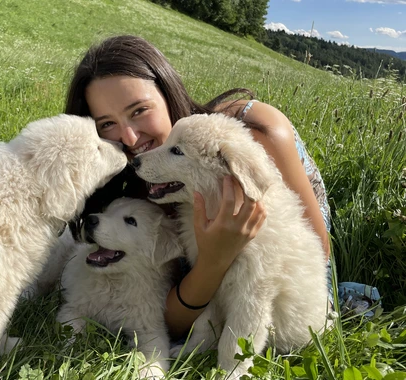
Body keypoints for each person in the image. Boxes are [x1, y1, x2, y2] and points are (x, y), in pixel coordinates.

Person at [65, 35, 332, 340]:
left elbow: (319, 254)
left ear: (168, 93)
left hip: (291, 293)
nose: (129, 137)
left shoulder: (254, 132)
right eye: (107, 124)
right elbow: (169, 321)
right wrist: (214, 259)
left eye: (139, 111)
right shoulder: (141, 193)